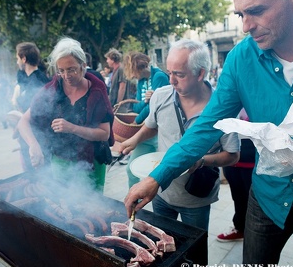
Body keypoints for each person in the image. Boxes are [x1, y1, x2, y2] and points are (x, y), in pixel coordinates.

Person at [124, 0, 293, 267]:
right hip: (268, 195)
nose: (246, 26)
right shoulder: (242, 58)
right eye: (241, 14)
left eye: (257, 11)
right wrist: (157, 176)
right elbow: (207, 125)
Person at [119, 39, 239, 230]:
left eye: (179, 74)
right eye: (169, 73)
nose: (171, 80)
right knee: (164, 245)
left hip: (196, 197)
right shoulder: (160, 95)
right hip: (160, 191)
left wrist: (201, 160)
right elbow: (152, 125)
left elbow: (233, 155)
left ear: (200, 73)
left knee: (194, 252)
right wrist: (135, 139)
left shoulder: (222, 108)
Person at [17, 36, 115, 193]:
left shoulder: (97, 91)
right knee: (64, 203)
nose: (66, 76)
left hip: (91, 161)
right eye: (61, 71)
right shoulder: (52, 90)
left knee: (92, 208)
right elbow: (23, 121)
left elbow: (104, 134)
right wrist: (33, 145)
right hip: (60, 161)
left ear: (83, 66)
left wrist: (72, 128)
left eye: (71, 69)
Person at [122, 51, 170, 188]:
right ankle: (132, 203)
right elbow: (139, 107)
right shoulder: (141, 81)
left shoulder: (159, 77)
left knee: (159, 173)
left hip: (158, 133)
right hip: (145, 132)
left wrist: (136, 121)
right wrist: (147, 101)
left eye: (132, 71)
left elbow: (154, 108)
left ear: (138, 67)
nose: (132, 75)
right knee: (130, 169)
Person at [217, 108, 256, 242]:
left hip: (254, 161)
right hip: (231, 159)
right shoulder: (231, 98)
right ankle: (240, 228)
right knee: (238, 197)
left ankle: (256, 235)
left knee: (257, 202)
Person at [12, 42, 51, 172]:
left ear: (24, 59)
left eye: (18, 58)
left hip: (38, 138)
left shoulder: (39, 81)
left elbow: (40, 114)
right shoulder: (24, 77)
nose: (17, 62)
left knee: (39, 177)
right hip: (27, 135)